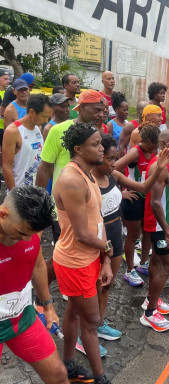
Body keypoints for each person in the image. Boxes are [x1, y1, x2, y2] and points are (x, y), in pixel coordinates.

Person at [53, 123, 132, 384]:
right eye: (96, 144)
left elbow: (97, 221)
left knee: (75, 313)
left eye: (101, 143)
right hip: (75, 262)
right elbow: (84, 234)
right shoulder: (72, 181)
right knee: (91, 322)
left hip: (89, 258)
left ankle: (69, 365)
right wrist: (108, 251)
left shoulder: (87, 173)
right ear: (78, 149)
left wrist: (105, 261)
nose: (102, 148)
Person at [0, 185, 77, 384]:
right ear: (3, 214)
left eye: (32, 234)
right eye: (21, 233)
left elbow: (37, 264)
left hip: (22, 319)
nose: (27, 239)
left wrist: (48, 305)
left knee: (58, 375)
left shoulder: (30, 233)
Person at [92, 134, 169, 338]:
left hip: (115, 238)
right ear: (97, 156)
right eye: (109, 159)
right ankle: (87, 329)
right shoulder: (88, 181)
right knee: (92, 288)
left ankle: (99, 323)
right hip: (96, 241)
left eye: (115, 158)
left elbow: (144, 188)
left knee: (107, 285)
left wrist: (159, 168)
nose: (114, 163)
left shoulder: (114, 176)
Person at [36, 90, 105, 287]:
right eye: (97, 110)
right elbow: (45, 167)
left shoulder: (97, 133)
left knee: (86, 249)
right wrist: (38, 204)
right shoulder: (58, 130)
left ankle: (75, 288)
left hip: (90, 199)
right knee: (65, 249)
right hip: (65, 206)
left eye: (103, 110)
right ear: (81, 108)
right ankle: (42, 292)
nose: (101, 114)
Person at [141, 130, 169, 331]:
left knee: (157, 263)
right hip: (159, 225)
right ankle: (149, 314)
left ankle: (151, 299)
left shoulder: (167, 164)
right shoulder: (160, 167)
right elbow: (155, 202)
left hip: (163, 223)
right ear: (164, 144)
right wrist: (167, 232)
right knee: (165, 267)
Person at [115, 124, 161, 284]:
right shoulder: (136, 152)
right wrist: (120, 192)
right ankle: (129, 271)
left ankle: (142, 263)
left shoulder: (155, 150)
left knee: (147, 232)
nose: (153, 148)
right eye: (151, 144)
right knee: (133, 235)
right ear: (143, 140)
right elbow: (112, 170)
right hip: (133, 199)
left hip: (147, 198)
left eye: (156, 144)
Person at [2, 94, 51, 191]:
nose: (46, 121)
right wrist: (14, 194)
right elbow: (6, 167)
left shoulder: (38, 128)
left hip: (35, 191)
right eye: (44, 116)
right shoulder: (13, 131)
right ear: (32, 112)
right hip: (19, 191)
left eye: (48, 117)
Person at [0, 68, 10, 152]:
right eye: (5, 79)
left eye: (8, 79)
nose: (8, 81)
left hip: (6, 128)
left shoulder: (8, 93)